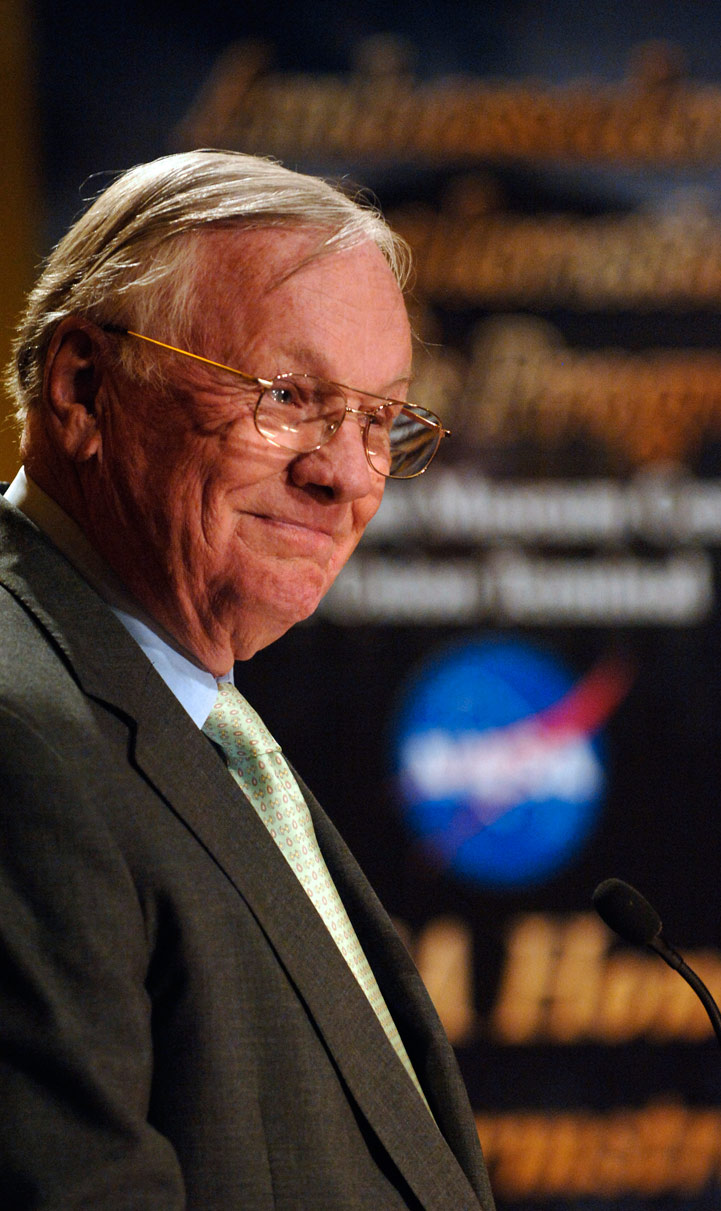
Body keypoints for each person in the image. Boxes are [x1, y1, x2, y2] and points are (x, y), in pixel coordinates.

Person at [0, 150, 495, 1211]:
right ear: (83, 386)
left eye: (379, 419)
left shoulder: (186, 713)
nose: (345, 473)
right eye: (288, 395)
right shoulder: (19, 730)